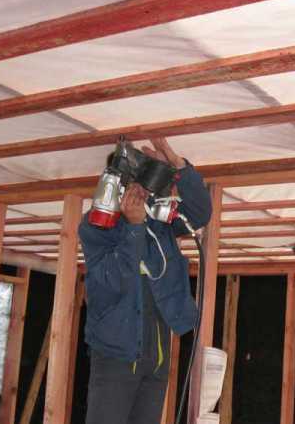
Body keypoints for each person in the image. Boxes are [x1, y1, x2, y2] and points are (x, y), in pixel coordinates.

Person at [79, 138, 212, 424]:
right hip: (117, 354)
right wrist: (134, 227)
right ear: (114, 184)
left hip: (157, 357)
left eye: (143, 181)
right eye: (132, 181)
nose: (140, 189)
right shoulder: (96, 224)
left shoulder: (157, 221)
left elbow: (200, 214)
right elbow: (115, 279)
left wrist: (178, 167)